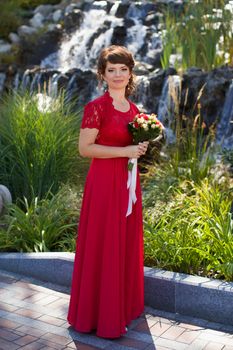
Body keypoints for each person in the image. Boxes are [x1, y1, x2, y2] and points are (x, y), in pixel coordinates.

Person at [67, 45, 149, 339]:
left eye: (122, 70)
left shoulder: (136, 111)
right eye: (111, 70)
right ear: (102, 74)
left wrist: (139, 149)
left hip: (127, 184)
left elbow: (133, 148)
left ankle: (121, 310)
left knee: (124, 242)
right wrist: (126, 150)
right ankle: (95, 317)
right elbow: (84, 148)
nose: (117, 75)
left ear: (130, 73)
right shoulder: (96, 107)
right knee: (104, 242)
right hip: (103, 185)